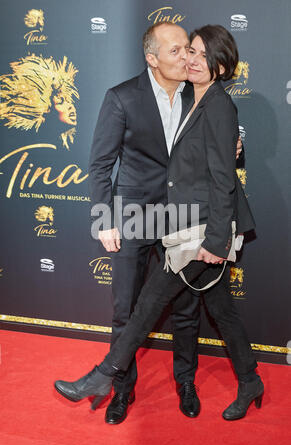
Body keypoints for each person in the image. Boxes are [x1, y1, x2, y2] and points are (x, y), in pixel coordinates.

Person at [55, 24, 264, 421]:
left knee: (187, 310)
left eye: (192, 50)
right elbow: (101, 164)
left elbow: (217, 150)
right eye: (179, 51)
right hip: (135, 216)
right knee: (129, 308)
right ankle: (120, 389)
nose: (187, 57)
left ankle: (184, 381)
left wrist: (238, 148)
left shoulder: (198, 93)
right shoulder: (122, 97)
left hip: (187, 218)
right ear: (152, 58)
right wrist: (104, 220)